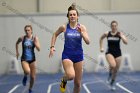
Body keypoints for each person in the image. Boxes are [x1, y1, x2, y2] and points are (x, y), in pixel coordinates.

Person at [49, 4, 90, 93]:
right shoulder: (64, 27)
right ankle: (64, 79)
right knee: (71, 76)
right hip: (67, 55)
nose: (72, 16)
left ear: (77, 16)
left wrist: (82, 33)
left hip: (79, 56)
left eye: (74, 14)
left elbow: (88, 42)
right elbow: (55, 34)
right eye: (70, 15)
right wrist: (52, 47)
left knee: (77, 84)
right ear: (68, 16)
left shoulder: (82, 27)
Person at [99, 20, 128, 90]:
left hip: (118, 53)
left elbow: (126, 42)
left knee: (116, 70)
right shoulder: (107, 33)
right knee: (112, 65)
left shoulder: (119, 34)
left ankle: (112, 82)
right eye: (112, 26)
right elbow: (101, 38)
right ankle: (109, 74)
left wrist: (122, 36)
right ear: (111, 26)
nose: (114, 27)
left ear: (117, 27)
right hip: (109, 52)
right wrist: (101, 47)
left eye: (115, 26)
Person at [16, 25, 40, 93]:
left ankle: (30, 89)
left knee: (32, 77)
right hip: (24, 59)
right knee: (27, 71)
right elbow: (17, 43)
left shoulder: (34, 38)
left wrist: (35, 43)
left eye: (28, 30)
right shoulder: (22, 38)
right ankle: (25, 76)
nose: (27, 31)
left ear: (31, 31)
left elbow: (39, 49)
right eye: (26, 30)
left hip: (32, 59)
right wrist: (17, 52)